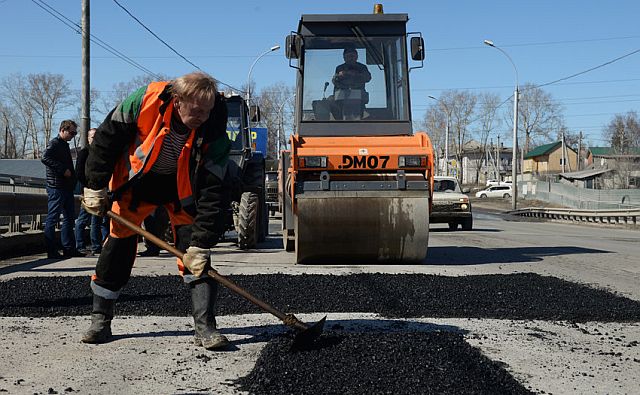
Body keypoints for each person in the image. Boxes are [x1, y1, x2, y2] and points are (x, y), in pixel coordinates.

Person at [81, 71, 232, 350]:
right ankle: (100, 320)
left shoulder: (215, 126)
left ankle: (206, 327)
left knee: (195, 256)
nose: (201, 116)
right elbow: (105, 141)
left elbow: (214, 189)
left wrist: (201, 242)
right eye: (196, 110)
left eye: (207, 111)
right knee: (117, 247)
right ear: (177, 100)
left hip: (182, 191)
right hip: (137, 185)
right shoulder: (144, 101)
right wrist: (94, 185)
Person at [41, 120, 84, 259]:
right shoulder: (54, 143)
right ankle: (51, 250)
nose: (73, 135)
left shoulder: (64, 145)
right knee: (52, 219)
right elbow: (45, 157)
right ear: (63, 130)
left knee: (69, 218)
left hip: (66, 187)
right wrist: (62, 170)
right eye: (71, 132)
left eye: (75, 133)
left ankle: (68, 249)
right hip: (56, 187)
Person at [74, 128, 105, 255]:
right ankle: (80, 246)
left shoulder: (101, 152)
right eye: (92, 137)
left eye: (96, 136)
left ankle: (96, 246)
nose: (94, 139)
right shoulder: (84, 153)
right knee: (83, 219)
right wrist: (87, 186)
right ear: (88, 138)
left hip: (98, 190)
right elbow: (79, 172)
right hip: (86, 190)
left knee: (96, 220)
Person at [331, 46, 371, 120]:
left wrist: (356, 74)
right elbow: (334, 81)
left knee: (358, 119)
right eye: (348, 56)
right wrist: (339, 75)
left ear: (356, 57)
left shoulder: (362, 67)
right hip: (342, 99)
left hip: (359, 99)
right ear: (344, 57)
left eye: (352, 56)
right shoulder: (339, 68)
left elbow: (368, 78)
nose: (350, 58)